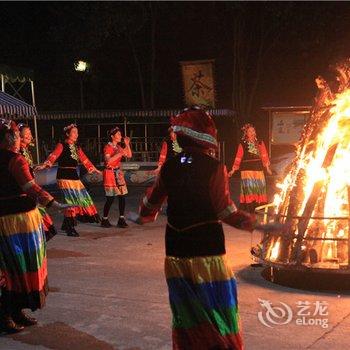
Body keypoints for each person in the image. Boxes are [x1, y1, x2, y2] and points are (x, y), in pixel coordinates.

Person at [137, 107, 255, 350]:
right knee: (217, 312)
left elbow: (150, 205)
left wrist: (142, 215)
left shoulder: (170, 166)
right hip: (207, 253)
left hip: (176, 253)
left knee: (186, 314)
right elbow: (226, 212)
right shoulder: (214, 167)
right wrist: (260, 224)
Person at [0, 119, 68, 334]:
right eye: (19, 136)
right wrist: (54, 203)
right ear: (10, 139)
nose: (22, 139)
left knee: (8, 268)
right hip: (18, 223)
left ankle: (13, 311)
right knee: (21, 267)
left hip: (6, 221)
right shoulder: (16, 160)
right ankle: (6, 315)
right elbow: (31, 187)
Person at [35, 124, 101, 237]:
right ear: (67, 134)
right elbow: (53, 156)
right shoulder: (62, 145)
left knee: (82, 198)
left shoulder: (76, 147)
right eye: (74, 132)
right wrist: (45, 165)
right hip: (64, 177)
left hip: (75, 177)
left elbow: (84, 159)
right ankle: (70, 228)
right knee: (70, 202)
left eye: (77, 132)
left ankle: (66, 223)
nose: (77, 134)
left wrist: (93, 169)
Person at [18, 123, 58, 241]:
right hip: (24, 189)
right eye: (27, 134)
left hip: (30, 187)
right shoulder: (17, 151)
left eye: (30, 133)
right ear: (18, 136)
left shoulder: (26, 150)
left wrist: (37, 167)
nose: (30, 136)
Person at [228, 123, 272, 213]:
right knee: (249, 188)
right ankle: (249, 208)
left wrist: (267, 168)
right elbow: (238, 157)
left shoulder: (260, 142)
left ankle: (259, 207)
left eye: (253, 130)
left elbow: (264, 155)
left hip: (258, 169)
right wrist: (233, 170)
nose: (252, 132)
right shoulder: (243, 144)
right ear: (246, 133)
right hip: (247, 170)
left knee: (259, 187)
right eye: (249, 131)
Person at [101, 126, 132, 228]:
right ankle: (104, 219)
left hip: (118, 173)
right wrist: (119, 154)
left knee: (122, 197)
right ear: (112, 136)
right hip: (110, 173)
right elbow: (108, 161)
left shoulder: (118, 147)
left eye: (120, 134)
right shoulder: (108, 147)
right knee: (110, 198)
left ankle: (121, 218)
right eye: (118, 134)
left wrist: (127, 145)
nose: (120, 136)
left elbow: (129, 155)